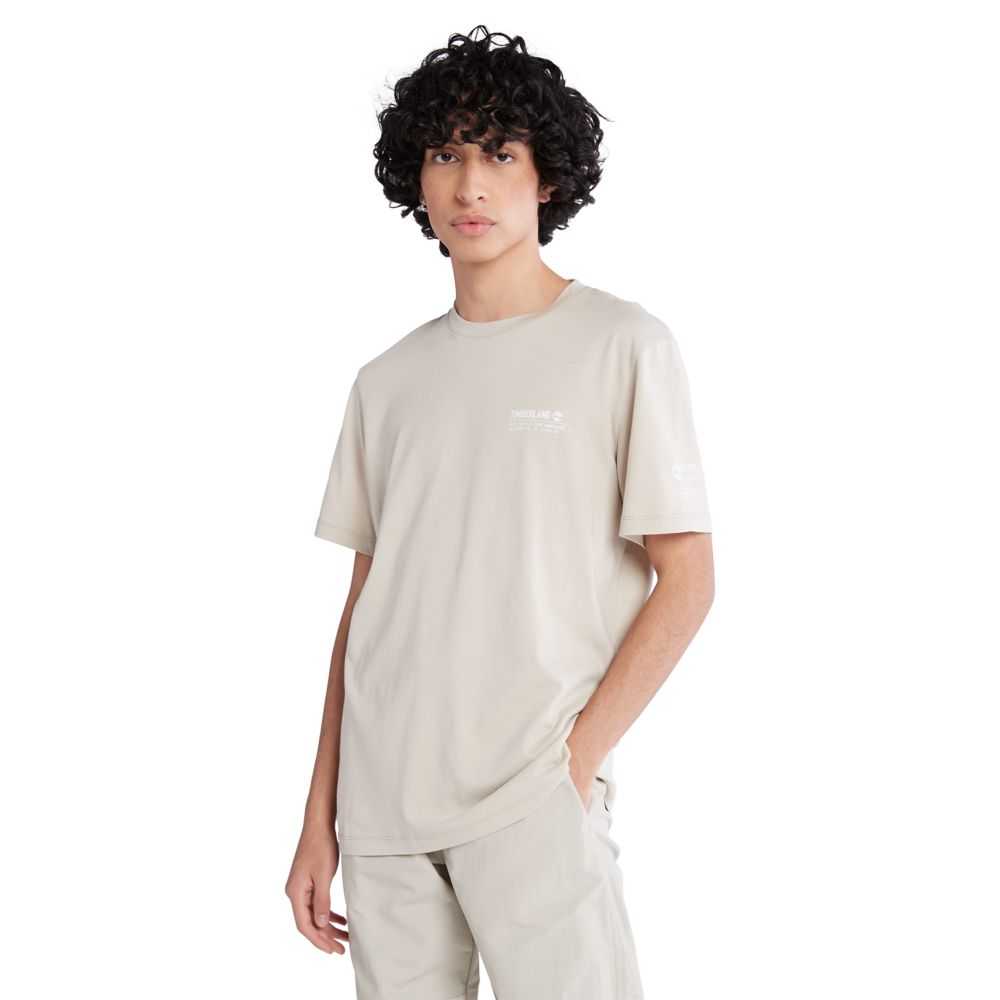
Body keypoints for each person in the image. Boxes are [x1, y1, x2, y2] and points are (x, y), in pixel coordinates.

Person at [285, 25, 715, 999]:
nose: (470, 185)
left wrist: (575, 763)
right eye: (446, 155)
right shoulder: (386, 382)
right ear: (416, 178)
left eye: (499, 154)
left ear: (546, 176)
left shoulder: (622, 344)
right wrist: (320, 818)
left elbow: (687, 579)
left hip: (529, 792)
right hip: (384, 811)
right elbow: (363, 614)